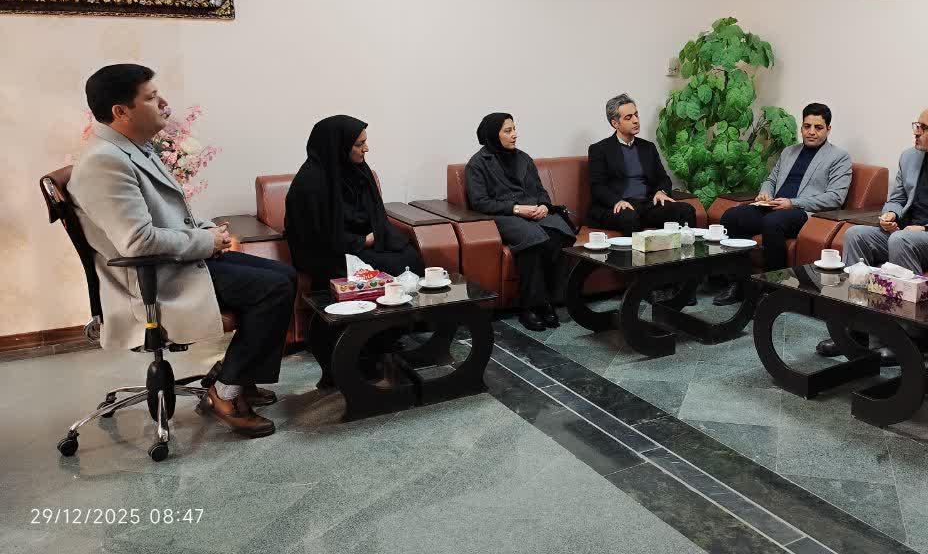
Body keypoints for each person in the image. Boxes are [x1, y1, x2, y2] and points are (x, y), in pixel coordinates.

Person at [70, 64, 295, 439]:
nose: (164, 103)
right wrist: (208, 242)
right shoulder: (104, 163)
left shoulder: (132, 148)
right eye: (151, 97)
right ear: (121, 111)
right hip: (152, 279)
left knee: (284, 274)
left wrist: (208, 230)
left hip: (175, 263)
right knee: (273, 288)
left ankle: (238, 375)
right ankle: (225, 391)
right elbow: (137, 241)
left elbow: (172, 215)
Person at [817, 106, 928, 358]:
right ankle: (854, 330)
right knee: (857, 235)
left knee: (903, 239)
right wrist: (891, 214)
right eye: (916, 126)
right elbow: (897, 199)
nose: (916, 132)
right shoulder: (909, 157)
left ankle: (907, 339)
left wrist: (927, 227)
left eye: (924, 128)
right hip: (910, 235)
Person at [284, 115, 449, 382]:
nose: (366, 149)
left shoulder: (359, 170)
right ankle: (368, 342)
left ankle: (391, 334)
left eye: (365, 142)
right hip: (328, 251)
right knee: (388, 267)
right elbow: (314, 234)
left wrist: (376, 236)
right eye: (359, 144)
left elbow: (375, 213)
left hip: (362, 241)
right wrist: (362, 242)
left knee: (409, 258)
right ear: (339, 146)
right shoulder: (311, 182)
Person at [713, 103, 852, 305]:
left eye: (818, 127)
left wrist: (792, 203)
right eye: (807, 126)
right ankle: (739, 284)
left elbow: (835, 197)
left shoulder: (839, 157)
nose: (811, 132)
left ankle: (771, 290)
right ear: (801, 127)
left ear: (828, 129)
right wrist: (765, 193)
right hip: (773, 207)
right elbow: (771, 179)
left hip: (804, 212)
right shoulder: (789, 152)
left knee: (773, 223)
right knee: (732, 217)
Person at [466, 113, 575, 332]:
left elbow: (540, 190)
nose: (515, 134)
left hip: (533, 211)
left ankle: (548, 301)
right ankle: (529, 307)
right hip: (504, 216)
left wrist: (544, 205)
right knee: (533, 241)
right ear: (493, 135)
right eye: (508, 131)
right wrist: (516, 209)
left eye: (514, 129)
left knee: (558, 235)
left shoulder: (524, 158)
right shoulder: (477, 164)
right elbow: (480, 202)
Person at [587, 93, 697, 233]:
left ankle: (688, 248)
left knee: (686, 210)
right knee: (629, 218)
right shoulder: (599, 149)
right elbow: (598, 187)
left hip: (647, 205)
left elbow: (663, 178)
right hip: (620, 206)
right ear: (615, 123)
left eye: (636, 115)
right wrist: (617, 201)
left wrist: (661, 192)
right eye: (628, 117)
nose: (635, 120)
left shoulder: (648, 147)